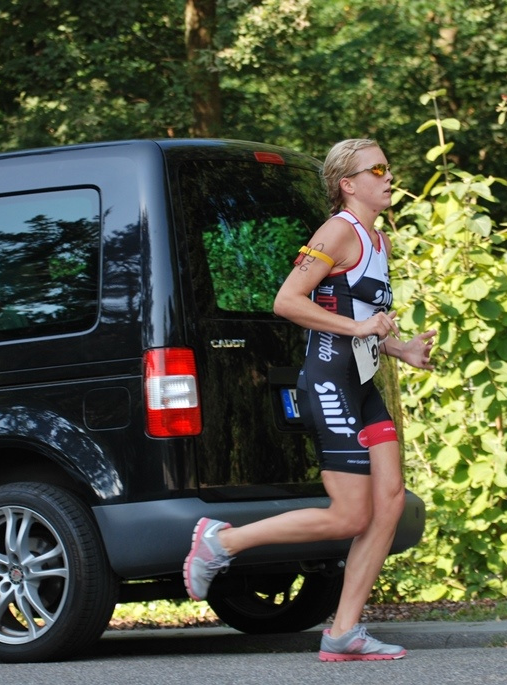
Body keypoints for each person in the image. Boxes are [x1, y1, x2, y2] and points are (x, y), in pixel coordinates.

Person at [183, 138, 436, 662]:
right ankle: (221, 543)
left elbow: (357, 319)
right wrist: (361, 328)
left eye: (388, 168)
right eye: (377, 170)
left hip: (360, 384)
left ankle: (343, 632)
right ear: (348, 183)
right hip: (328, 383)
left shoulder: (379, 241)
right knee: (350, 516)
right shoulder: (337, 231)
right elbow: (287, 301)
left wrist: (400, 349)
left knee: (390, 502)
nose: (389, 177)